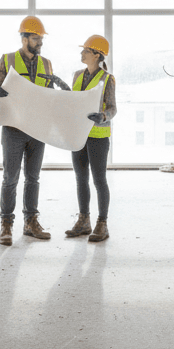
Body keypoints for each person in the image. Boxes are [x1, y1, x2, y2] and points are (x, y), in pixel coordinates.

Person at [0, 15, 59, 245]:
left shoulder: (47, 63)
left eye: (41, 38)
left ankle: (30, 222)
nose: (40, 42)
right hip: (14, 128)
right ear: (24, 38)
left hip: (38, 128)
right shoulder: (7, 59)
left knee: (33, 178)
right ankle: (6, 225)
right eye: (36, 38)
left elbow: (50, 93)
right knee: (10, 178)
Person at [63, 35, 116, 242]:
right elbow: (72, 101)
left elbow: (112, 108)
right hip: (78, 134)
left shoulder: (107, 79)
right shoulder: (77, 75)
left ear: (96, 55)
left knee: (99, 180)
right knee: (81, 178)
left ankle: (102, 224)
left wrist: (102, 116)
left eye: (85, 50)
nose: (81, 53)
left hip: (98, 137)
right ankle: (84, 221)